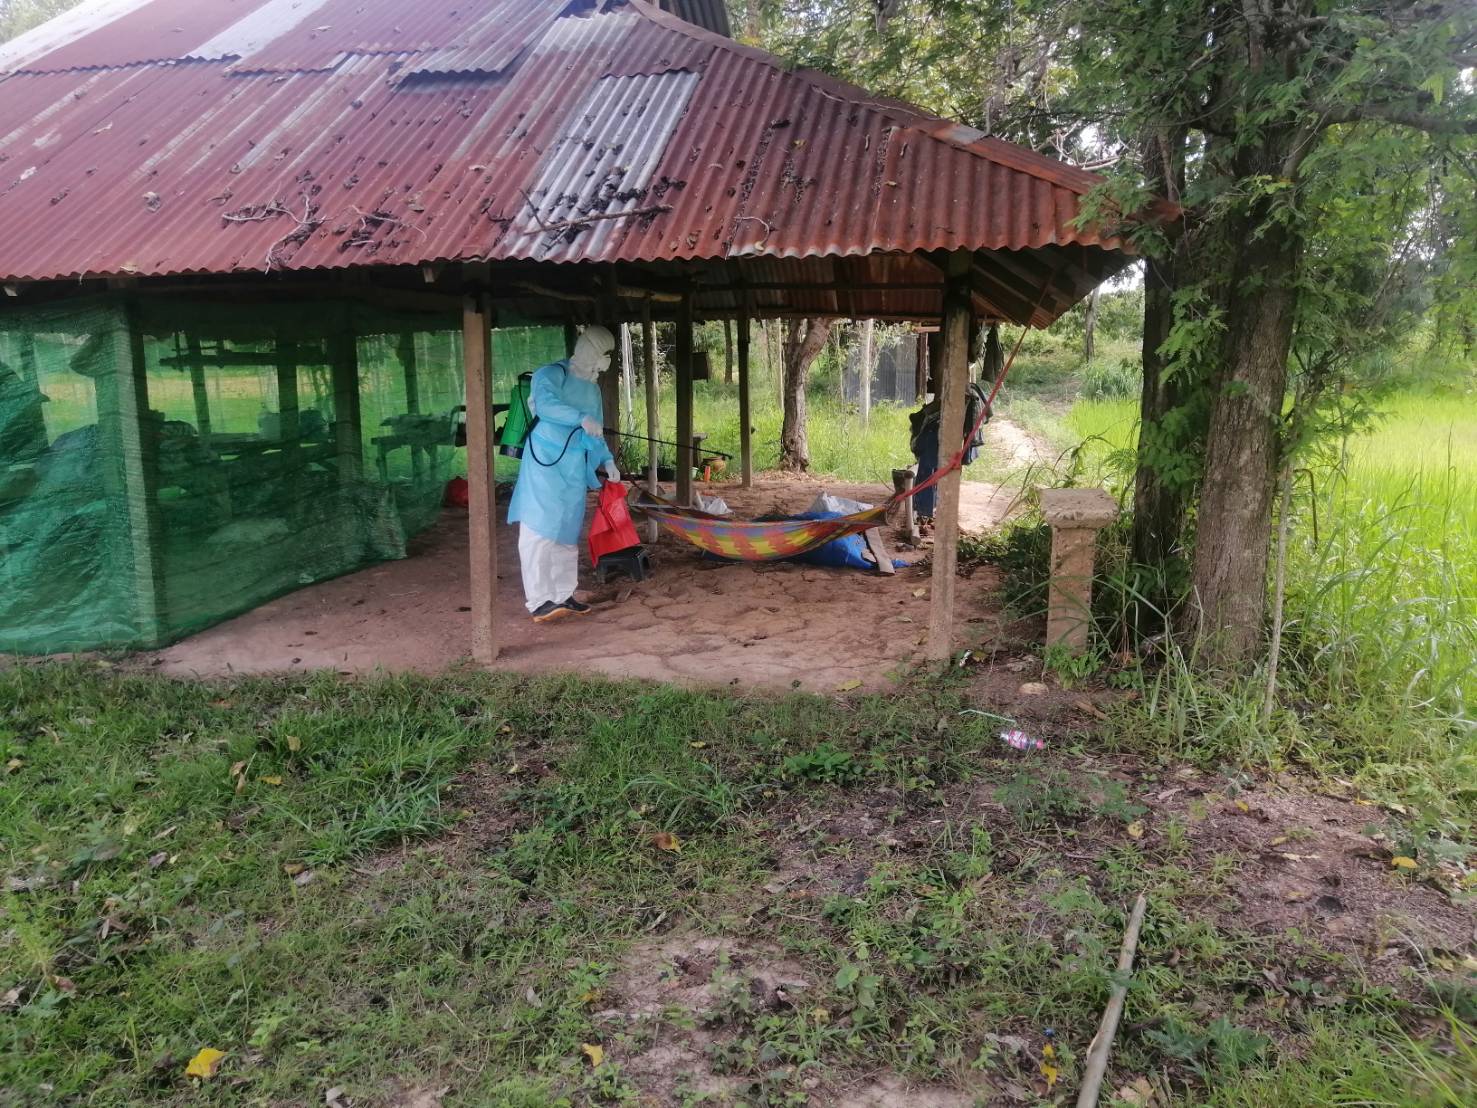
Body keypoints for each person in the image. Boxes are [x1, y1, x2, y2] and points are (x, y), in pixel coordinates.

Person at [507, 326, 620, 622]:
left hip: (574, 466)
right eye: (600, 352)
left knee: (567, 531)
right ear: (586, 348)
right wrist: (579, 418)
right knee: (539, 528)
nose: (601, 361)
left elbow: (596, 430)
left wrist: (607, 460)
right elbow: (546, 406)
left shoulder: (593, 390)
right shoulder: (551, 374)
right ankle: (539, 600)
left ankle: (562, 594)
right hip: (545, 461)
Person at [908, 378, 990, 521]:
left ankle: (926, 511)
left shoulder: (963, 407)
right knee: (930, 471)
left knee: (930, 471)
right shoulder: (941, 412)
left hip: (938, 438)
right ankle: (926, 511)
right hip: (936, 436)